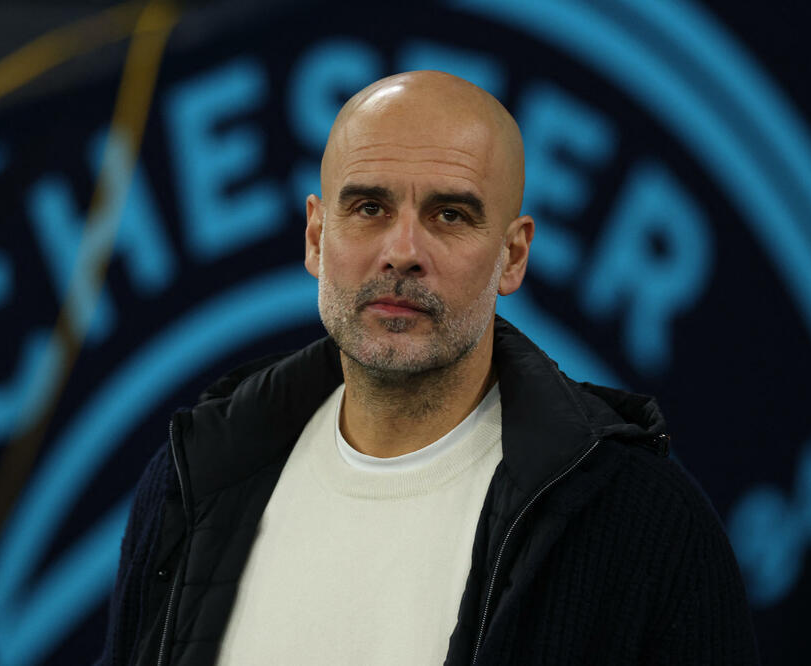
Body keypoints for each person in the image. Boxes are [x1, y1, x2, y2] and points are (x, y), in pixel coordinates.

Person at [100, 71, 758, 665]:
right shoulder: (195, 476)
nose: (403, 251)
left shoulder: (646, 522)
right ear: (316, 237)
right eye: (369, 208)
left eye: (449, 214)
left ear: (512, 256)